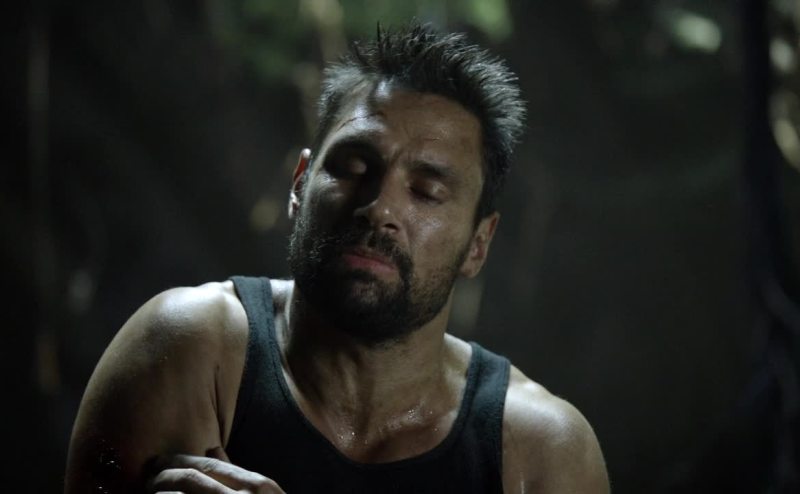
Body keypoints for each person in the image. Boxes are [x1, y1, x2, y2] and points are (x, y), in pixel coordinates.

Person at [65, 22, 610, 494]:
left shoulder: (540, 453)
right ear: (300, 184)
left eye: (426, 191)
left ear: (478, 244)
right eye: (352, 167)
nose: (380, 208)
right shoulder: (187, 350)